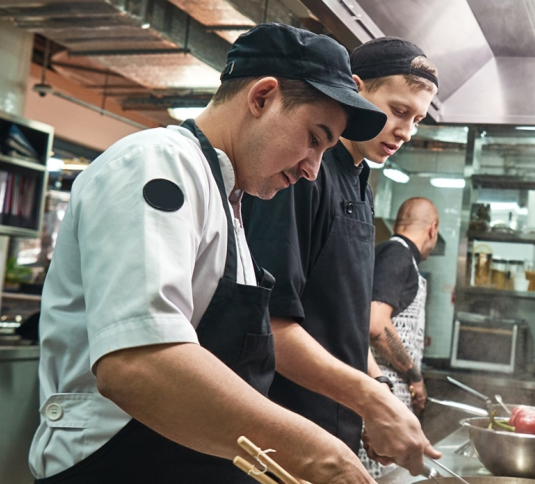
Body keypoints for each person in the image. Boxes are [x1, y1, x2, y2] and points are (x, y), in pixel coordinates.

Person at [28, 23, 387, 484]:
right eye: (314, 138)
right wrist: (316, 452)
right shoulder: (158, 162)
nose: (313, 170)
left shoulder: (229, 202)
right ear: (262, 98)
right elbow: (140, 365)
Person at [242, 37, 441, 475]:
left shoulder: (361, 183)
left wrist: (375, 393)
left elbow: (343, 321)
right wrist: (370, 399)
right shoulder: (299, 173)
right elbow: (269, 325)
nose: (407, 130)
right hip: (284, 436)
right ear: (356, 90)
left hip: (335, 436)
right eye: (399, 110)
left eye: (418, 119)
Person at [360, 197, 439, 477]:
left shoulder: (390, 252)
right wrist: (415, 375)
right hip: (381, 395)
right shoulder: (398, 255)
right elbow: (376, 325)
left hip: (383, 399)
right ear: (433, 229)